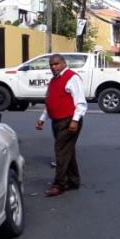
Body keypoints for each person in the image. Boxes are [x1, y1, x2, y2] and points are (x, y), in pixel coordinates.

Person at [36, 54, 87, 197]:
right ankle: (74, 180)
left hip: (69, 121)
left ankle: (59, 184)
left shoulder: (72, 78)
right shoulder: (53, 80)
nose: (53, 67)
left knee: (61, 151)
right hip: (57, 121)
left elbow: (81, 102)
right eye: (51, 65)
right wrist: (42, 118)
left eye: (56, 64)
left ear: (64, 63)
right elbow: (51, 101)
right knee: (67, 151)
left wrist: (75, 120)